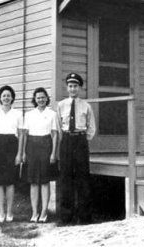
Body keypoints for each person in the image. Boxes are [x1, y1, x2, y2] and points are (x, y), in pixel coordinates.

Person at [56, 73, 96, 225]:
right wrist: (65, 138)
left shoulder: (86, 106)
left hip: (80, 140)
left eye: (75, 86)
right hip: (66, 140)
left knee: (82, 178)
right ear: (67, 88)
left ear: (79, 88)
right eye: (70, 86)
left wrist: (83, 138)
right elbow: (59, 125)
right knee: (65, 177)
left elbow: (91, 126)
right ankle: (66, 216)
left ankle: (84, 216)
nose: (73, 89)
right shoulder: (61, 105)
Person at [0, 85, 23, 223]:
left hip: (12, 146)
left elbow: (20, 134)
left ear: (12, 97)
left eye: (8, 95)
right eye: (4, 96)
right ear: (0, 98)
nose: (6, 98)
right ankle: (0, 213)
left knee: (10, 182)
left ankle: (9, 212)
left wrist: (19, 153)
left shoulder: (18, 114)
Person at [23, 87, 58, 223]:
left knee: (44, 181)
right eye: (38, 98)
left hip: (46, 144)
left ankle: (44, 211)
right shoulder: (29, 114)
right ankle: (34, 212)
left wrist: (53, 153)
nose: (41, 100)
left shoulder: (52, 114)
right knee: (33, 182)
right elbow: (25, 134)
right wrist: (25, 152)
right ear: (35, 99)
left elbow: (54, 134)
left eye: (43, 97)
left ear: (46, 98)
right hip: (32, 145)